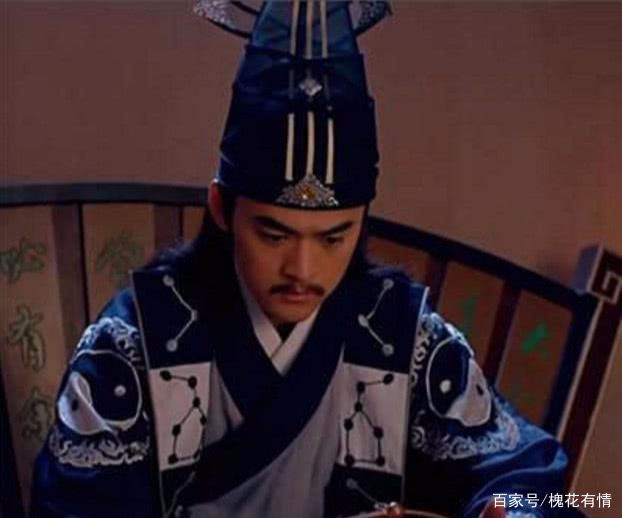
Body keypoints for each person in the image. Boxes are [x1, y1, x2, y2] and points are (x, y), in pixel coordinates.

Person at [31, 2, 574, 517]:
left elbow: (544, 487)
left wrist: (512, 508)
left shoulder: (401, 338)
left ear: (363, 220)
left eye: (334, 238)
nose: (304, 270)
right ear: (221, 207)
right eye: (274, 235)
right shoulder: (134, 345)